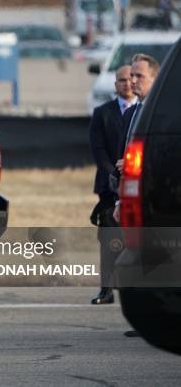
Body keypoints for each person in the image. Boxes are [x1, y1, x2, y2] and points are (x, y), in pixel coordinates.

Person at [112, 53, 160, 338]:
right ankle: (145, 322)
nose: (132, 81)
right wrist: (120, 199)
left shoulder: (162, 114)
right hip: (134, 197)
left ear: (156, 78)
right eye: (131, 76)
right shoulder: (134, 112)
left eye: (139, 76)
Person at [89, 65, 137, 305]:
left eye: (130, 79)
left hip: (135, 185)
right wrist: (114, 178)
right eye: (121, 80)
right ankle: (106, 289)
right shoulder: (102, 113)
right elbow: (99, 151)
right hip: (109, 189)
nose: (127, 83)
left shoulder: (141, 112)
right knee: (110, 240)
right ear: (115, 84)